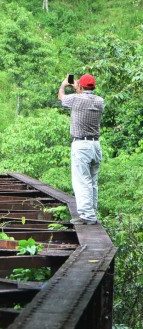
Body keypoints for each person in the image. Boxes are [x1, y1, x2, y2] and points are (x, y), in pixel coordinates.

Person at [58, 73, 104, 225]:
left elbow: (61, 98)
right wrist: (79, 87)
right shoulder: (99, 101)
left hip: (81, 145)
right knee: (92, 181)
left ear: (81, 87)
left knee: (82, 181)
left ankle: (87, 216)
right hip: (95, 145)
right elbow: (86, 96)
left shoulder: (76, 99)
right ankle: (91, 212)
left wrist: (65, 84)